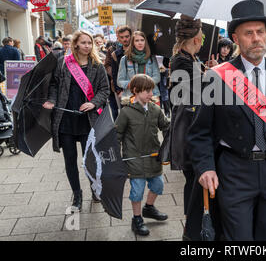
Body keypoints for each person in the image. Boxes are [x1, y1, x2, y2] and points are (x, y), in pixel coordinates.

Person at [187, 0, 266, 241]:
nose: (256, 39)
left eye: (260, 32)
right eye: (248, 33)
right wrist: (205, 167)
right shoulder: (218, 78)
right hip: (235, 171)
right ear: (236, 38)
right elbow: (199, 132)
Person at [43, 30, 110, 211]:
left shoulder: (97, 66)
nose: (87, 46)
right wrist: (51, 100)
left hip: (88, 120)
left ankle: (94, 188)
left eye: (89, 43)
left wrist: (93, 103)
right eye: (83, 43)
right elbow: (54, 85)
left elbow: (105, 90)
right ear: (76, 44)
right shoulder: (64, 63)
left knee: (90, 160)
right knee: (70, 160)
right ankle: (77, 195)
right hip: (66, 119)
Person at [167, 15, 217, 240]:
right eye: (202, 36)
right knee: (192, 179)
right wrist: (211, 77)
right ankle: (191, 226)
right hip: (187, 125)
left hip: (190, 121)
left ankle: (193, 223)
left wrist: (209, 72)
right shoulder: (182, 61)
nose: (203, 40)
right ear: (196, 39)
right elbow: (193, 92)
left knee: (194, 178)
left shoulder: (190, 58)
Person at [115, 74, 170, 236]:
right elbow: (117, 135)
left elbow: (166, 126)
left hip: (153, 157)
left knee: (158, 185)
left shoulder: (155, 109)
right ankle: (137, 218)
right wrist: (114, 156)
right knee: (137, 191)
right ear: (135, 91)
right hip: (134, 159)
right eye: (146, 91)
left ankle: (149, 208)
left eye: (151, 90)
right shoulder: (126, 112)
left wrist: (175, 133)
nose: (150, 94)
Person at [117, 31, 161, 102]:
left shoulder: (151, 58)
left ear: (145, 42)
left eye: (142, 40)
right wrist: (134, 84)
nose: (140, 43)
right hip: (132, 96)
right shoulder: (125, 59)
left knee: (153, 113)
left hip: (151, 96)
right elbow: (120, 81)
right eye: (137, 40)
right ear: (133, 43)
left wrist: (144, 84)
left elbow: (157, 77)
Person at [104, 25, 132, 115]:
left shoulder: (137, 51)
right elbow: (115, 73)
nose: (125, 39)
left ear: (131, 36)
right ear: (118, 38)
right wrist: (118, 91)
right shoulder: (115, 53)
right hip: (124, 89)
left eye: (127, 36)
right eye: (122, 37)